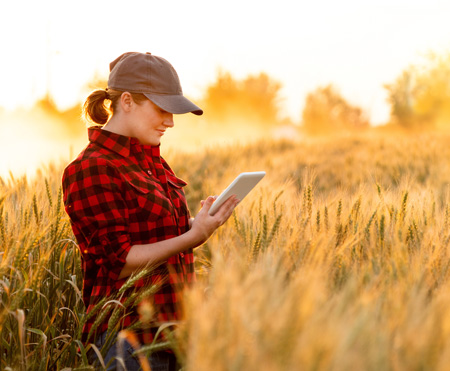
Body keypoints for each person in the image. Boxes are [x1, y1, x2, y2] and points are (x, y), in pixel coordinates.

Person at [62, 52, 239, 370]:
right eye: (162, 109)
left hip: (174, 335)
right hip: (126, 342)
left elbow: (161, 244)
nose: (170, 122)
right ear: (127, 101)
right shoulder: (92, 168)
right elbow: (121, 263)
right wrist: (195, 236)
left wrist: (198, 223)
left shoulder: (152, 161)